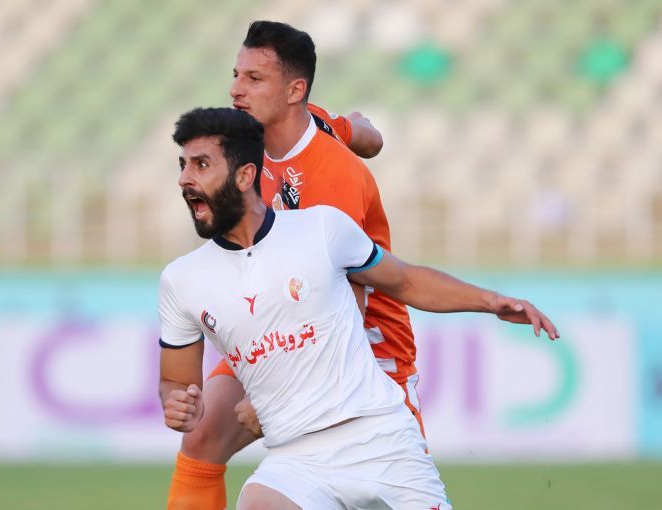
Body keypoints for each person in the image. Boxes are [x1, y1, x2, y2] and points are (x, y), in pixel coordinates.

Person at [159, 107, 558, 509]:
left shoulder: (321, 229)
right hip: (295, 460)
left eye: (201, 165)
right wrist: (178, 402)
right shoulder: (182, 280)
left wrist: (490, 301)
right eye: (182, 165)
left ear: (245, 176)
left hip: (380, 441)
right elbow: (176, 382)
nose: (184, 179)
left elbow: (405, 281)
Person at [165, 21, 420, 510]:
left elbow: (345, 301)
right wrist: (366, 135)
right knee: (201, 437)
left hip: (363, 346)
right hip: (280, 327)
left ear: (294, 91)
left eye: (253, 78)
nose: (236, 89)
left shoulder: (333, 178)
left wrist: (279, 398)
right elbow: (361, 131)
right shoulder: (278, 137)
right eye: (236, 76)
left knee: (381, 491)